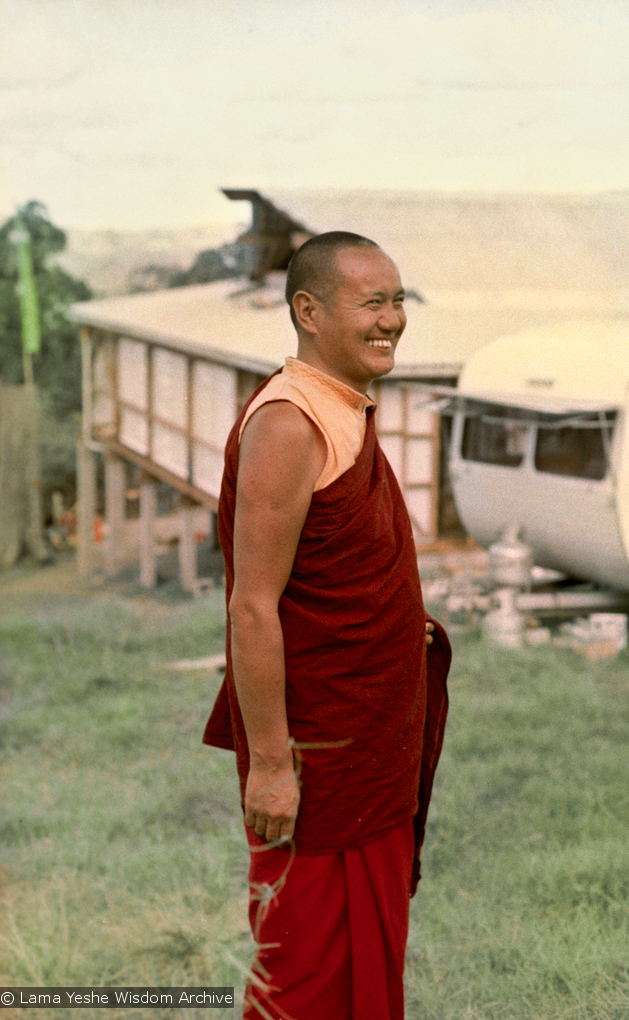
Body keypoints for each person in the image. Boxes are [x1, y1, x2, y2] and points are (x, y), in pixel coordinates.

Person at [203, 231, 452, 1020]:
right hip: (317, 755)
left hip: (367, 729)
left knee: (364, 951)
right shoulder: (289, 422)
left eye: (399, 300)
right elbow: (253, 603)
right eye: (372, 302)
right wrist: (272, 765)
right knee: (305, 968)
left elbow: (334, 574)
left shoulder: (342, 407)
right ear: (308, 311)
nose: (393, 319)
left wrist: (387, 623)